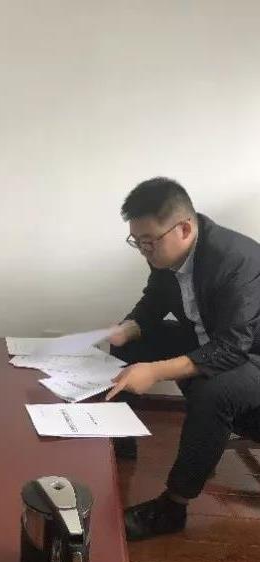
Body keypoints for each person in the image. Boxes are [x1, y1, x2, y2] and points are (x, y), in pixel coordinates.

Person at [106, 177, 260, 541]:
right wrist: (129, 327)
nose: (143, 250)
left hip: (249, 356)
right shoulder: (166, 254)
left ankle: (173, 507)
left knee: (212, 391)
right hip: (210, 340)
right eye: (136, 241)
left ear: (184, 228)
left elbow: (232, 347)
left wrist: (156, 371)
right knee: (129, 345)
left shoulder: (235, 260)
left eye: (148, 241)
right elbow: (154, 300)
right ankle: (120, 437)